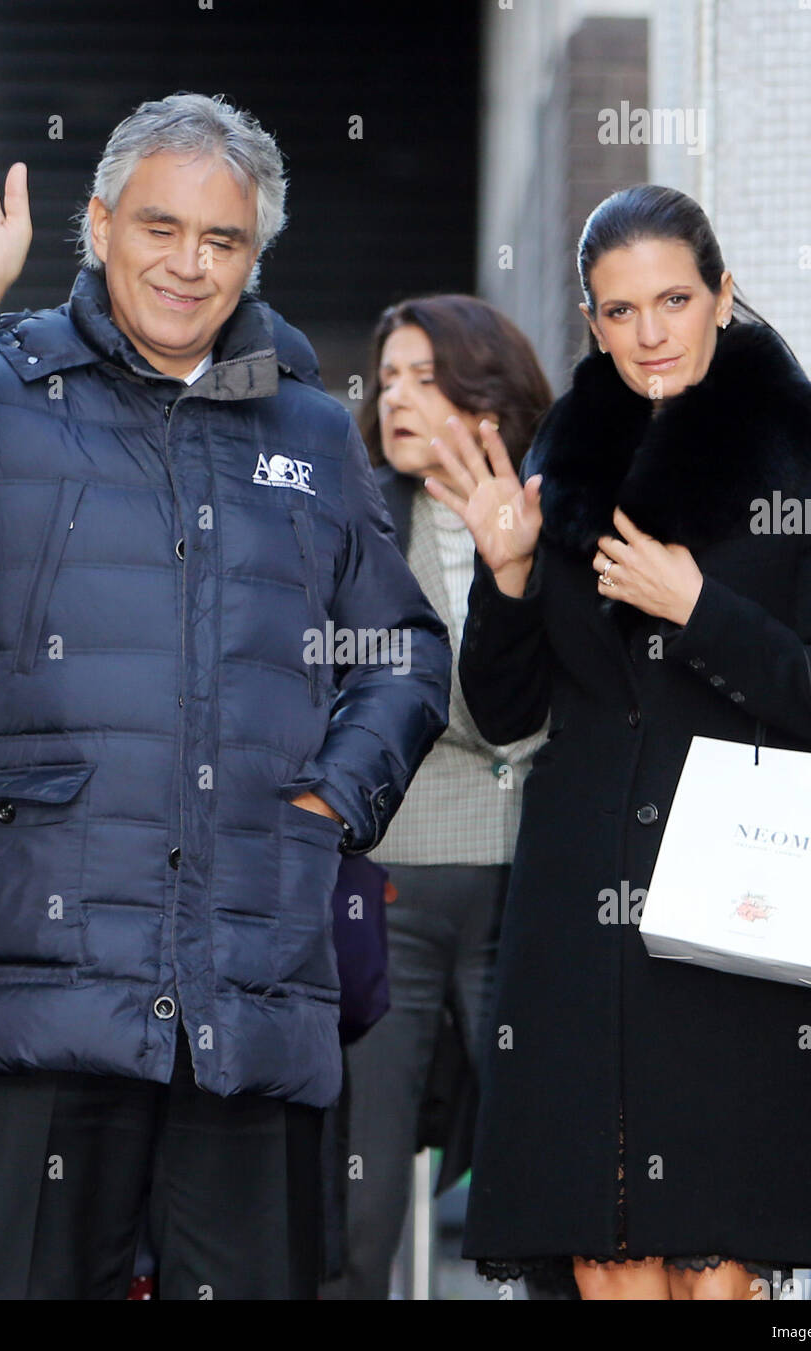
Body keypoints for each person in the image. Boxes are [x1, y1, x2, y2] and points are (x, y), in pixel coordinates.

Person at [0, 95, 450, 1300]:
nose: (187, 263)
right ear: (98, 224)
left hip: (252, 979)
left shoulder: (312, 430)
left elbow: (401, 649)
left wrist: (331, 802)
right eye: (160, 227)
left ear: (253, 255)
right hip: (47, 977)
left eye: (221, 241)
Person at [425, 184, 811, 1300]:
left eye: (673, 298)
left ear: (721, 296)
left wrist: (700, 609)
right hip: (580, 899)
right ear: (589, 320)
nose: (648, 332)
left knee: (714, 1255)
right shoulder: (556, 472)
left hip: (737, 896)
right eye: (619, 309)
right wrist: (501, 581)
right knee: (603, 1250)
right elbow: (502, 713)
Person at [318, 295, 552, 1299]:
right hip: (391, 880)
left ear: (487, 403)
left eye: (425, 376)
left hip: (534, 886)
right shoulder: (353, 523)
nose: (396, 398)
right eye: (389, 378)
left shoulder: (562, 517)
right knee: (362, 1189)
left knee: (542, 1168)